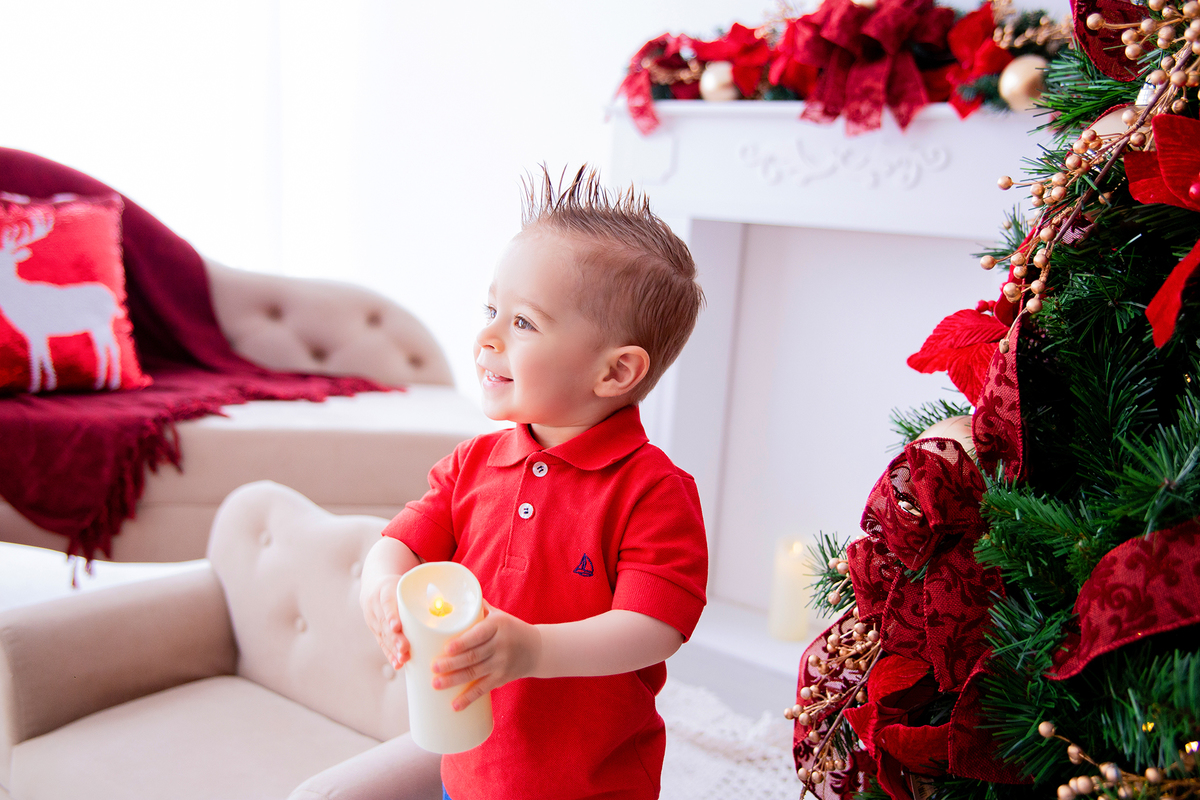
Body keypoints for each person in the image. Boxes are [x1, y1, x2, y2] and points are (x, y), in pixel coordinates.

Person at [359, 166, 708, 800]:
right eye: (492, 310)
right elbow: (401, 542)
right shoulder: (473, 463)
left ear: (615, 371)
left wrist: (531, 651)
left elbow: (654, 626)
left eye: (523, 323)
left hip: (593, 783)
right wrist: (381, 585)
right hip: (472, 770)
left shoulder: (654, 491)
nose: (486, 337)